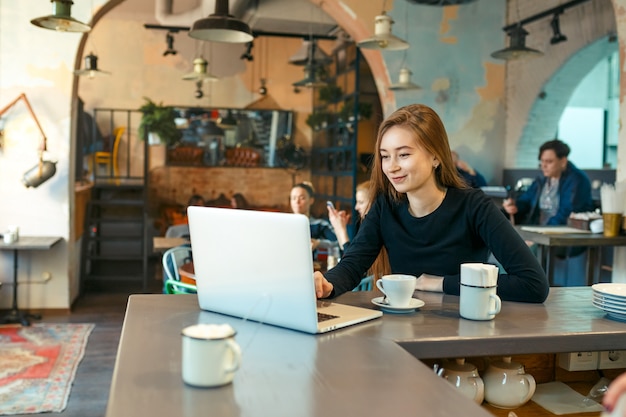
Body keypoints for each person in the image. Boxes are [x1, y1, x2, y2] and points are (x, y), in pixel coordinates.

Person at [314, 104, 549, 303]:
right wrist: (327, 283)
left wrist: (440, 284)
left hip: (463, 331)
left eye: (403, 155)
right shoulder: (385, 206)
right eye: (385, 156)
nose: (391, 166)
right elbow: (353, 264)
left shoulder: (474, 206)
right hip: (401, 328)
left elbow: (533, 284)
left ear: (436, 156)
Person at [502, 139, 594, 226]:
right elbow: (526, 199)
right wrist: (515, 205)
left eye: (549, 161)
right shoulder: (542, 179)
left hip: (560, 235)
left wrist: (539, 235)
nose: (544, 166)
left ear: (563, 161)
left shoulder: (577, 180)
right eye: (542, 161)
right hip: (540, 232)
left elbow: (566, 214)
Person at [290, 182, 342, 252]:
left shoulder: (320, 224)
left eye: (302, 198)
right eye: (293, 198)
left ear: (311, 200)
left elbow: (337, 242)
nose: (297, 201)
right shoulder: (285, 225)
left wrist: (318, 243)